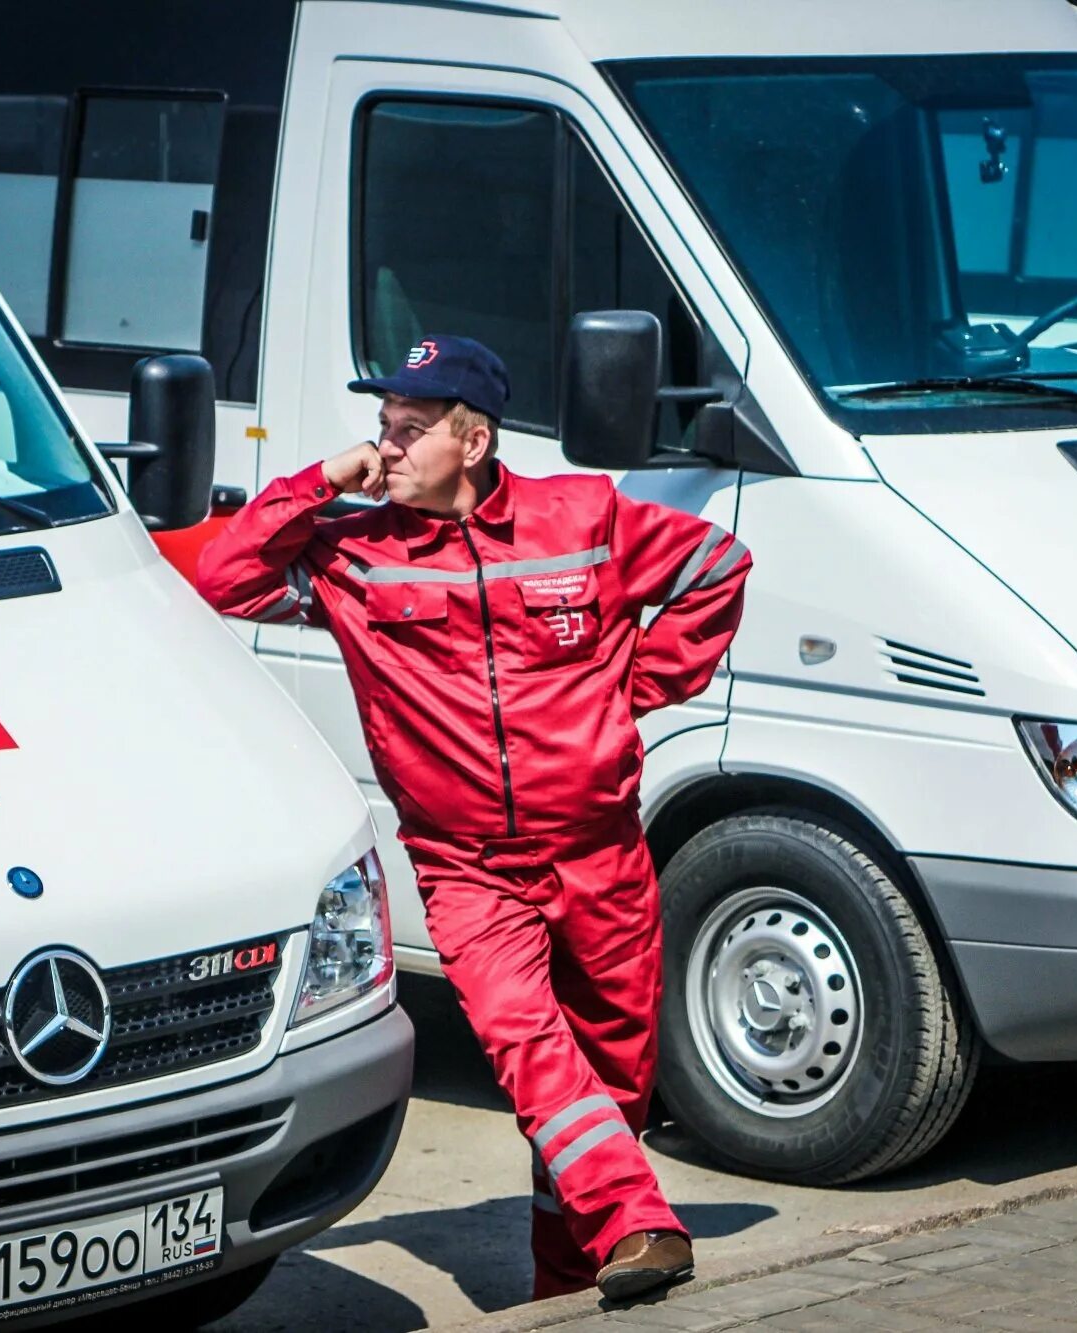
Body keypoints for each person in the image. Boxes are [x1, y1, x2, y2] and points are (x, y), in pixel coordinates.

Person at [195, 334, 750, 1301]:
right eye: (382, 428)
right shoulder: (355, 555)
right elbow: (220, 580)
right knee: (527, 1043)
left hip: (602, 854)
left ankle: (567, 1290)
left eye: (411, 431)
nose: (387, 449)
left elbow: (717, 567)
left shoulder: (583, 518)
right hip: (469, 867)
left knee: (607, 1091)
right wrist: (323, 479)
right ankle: (639, 1222)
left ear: (477, 440)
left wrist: (628, 696)